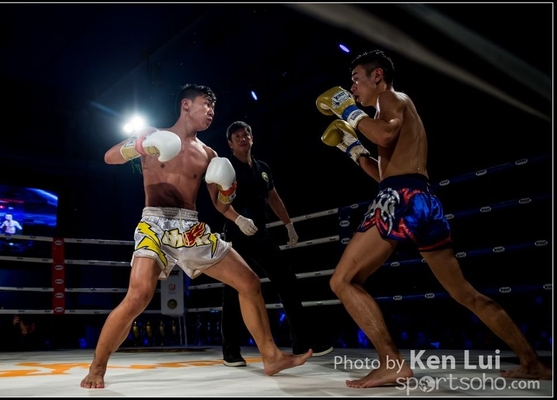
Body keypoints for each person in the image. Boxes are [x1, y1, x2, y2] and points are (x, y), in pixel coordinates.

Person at [316, 50, 552, 388]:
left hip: (401, 199)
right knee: (465, 293)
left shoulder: (391, 99)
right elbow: (384, 174)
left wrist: (348, 110)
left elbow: (384, 137)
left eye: (355, 80)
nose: (351, 88)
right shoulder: (387, 112)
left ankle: (392, 363)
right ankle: (532, 362)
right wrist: (352, 149)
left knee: (342, 281)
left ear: (377, 76)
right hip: (421, 199)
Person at [80, 84, 312, 389]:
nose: (212, 111)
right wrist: (141, 146)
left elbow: (220, 204)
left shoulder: (209, 153)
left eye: (214, 106)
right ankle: (97, 368)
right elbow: (110, 157)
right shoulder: (152, 133)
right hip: (155, 223)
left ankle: (271, 356)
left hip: (190, 227)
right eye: (207, 104)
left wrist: (229, 192)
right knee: (138, 296)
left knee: (249, 282)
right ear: (186, 105)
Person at [219, 121, 334, 367]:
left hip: (261, 234)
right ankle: (230, 351)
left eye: (246, 134)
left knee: (287, 281)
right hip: (237, 234)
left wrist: (288, 224)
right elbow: (219, 202)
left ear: (252, 138)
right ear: (230, 143)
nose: (242, 138)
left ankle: (302, 342)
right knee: (233, 291)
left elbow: (273, 197)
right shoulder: (226, 168)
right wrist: (238, 220)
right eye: (237, 136)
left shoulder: (262, 168)